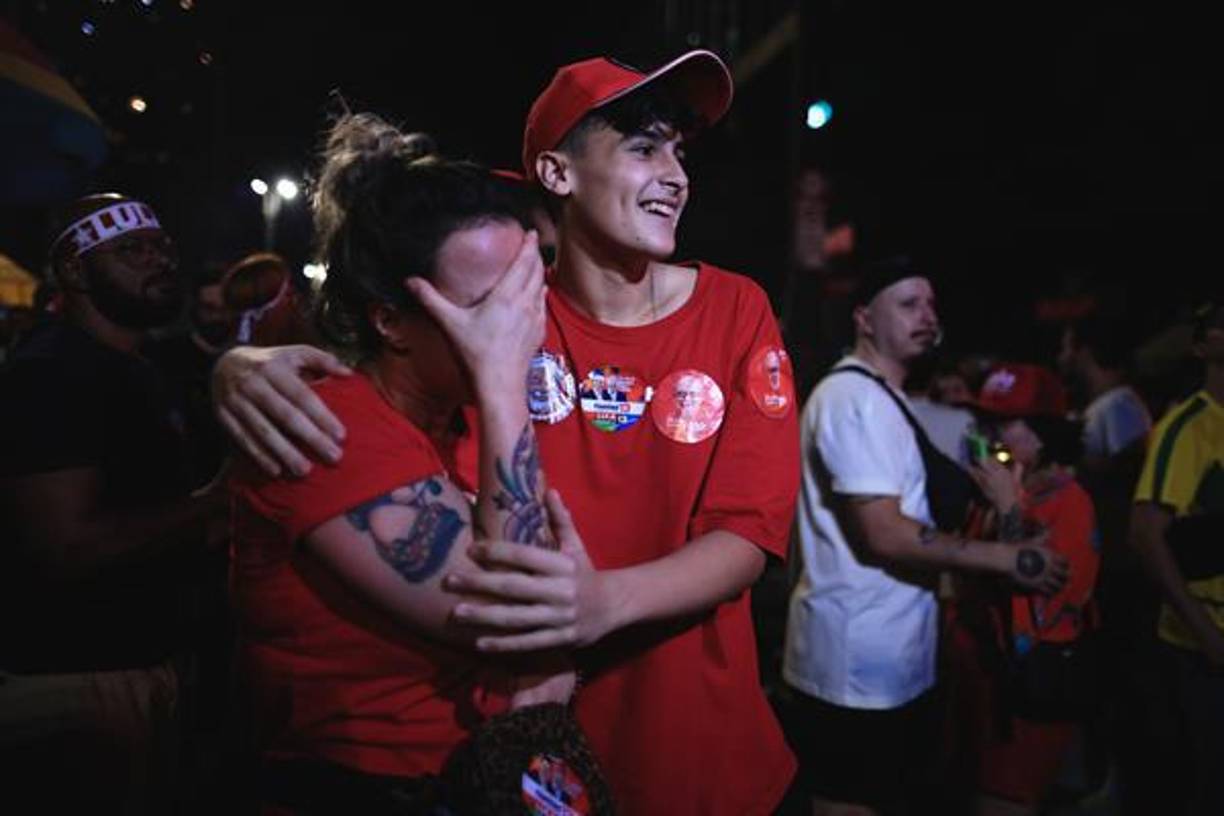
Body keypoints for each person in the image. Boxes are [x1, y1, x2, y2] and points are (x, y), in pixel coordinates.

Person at [213, 50, 800, 815]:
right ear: (557, 173)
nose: (675, 175)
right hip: (529, 761)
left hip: (704, 746)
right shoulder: (491, 315)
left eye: (679, 152)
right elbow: (366, 330)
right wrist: (237, 365)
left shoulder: (733, 308)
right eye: (643, 148)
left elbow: (748, 532)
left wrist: (603, 602)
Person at [224, 115, 589, 813]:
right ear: (390, 320)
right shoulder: (326, 429)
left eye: (526, 294)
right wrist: (503, 378)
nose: (523, 327)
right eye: (488, 307)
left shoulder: (469, 414)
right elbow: (521, 619)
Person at [782, 258, 1069, 816]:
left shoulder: (884, 396)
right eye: (909, 304)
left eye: (932, 305)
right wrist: (1006, 557)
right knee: (849, 803)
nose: (928, 316)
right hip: (854, 663)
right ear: (865, 319)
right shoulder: (855, 399)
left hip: (888, 655)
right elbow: (884, 532)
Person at [0, 193, 225, 812]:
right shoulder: (50, 373)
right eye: (131, 250)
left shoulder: (136, 367)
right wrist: (215, 503)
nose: (160, 260)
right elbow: (64, 545)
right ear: (74, 270)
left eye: (162, 246)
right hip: (77, 686)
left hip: (143, 671)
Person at [951, 363, 1101, 815]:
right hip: (977, 683)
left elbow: (1033, 581)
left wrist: (1008, 510)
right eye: (986, 421)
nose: (990, 435)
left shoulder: (1068, 501)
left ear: (1043, 433)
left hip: (1028, 691)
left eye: (1004, 423)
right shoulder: (1003, 489)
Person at [1129, 300, 1224, 815]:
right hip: (1203, 650)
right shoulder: (1187, 427)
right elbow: (1147, 536)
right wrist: (1208, 637)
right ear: (1203, 345)